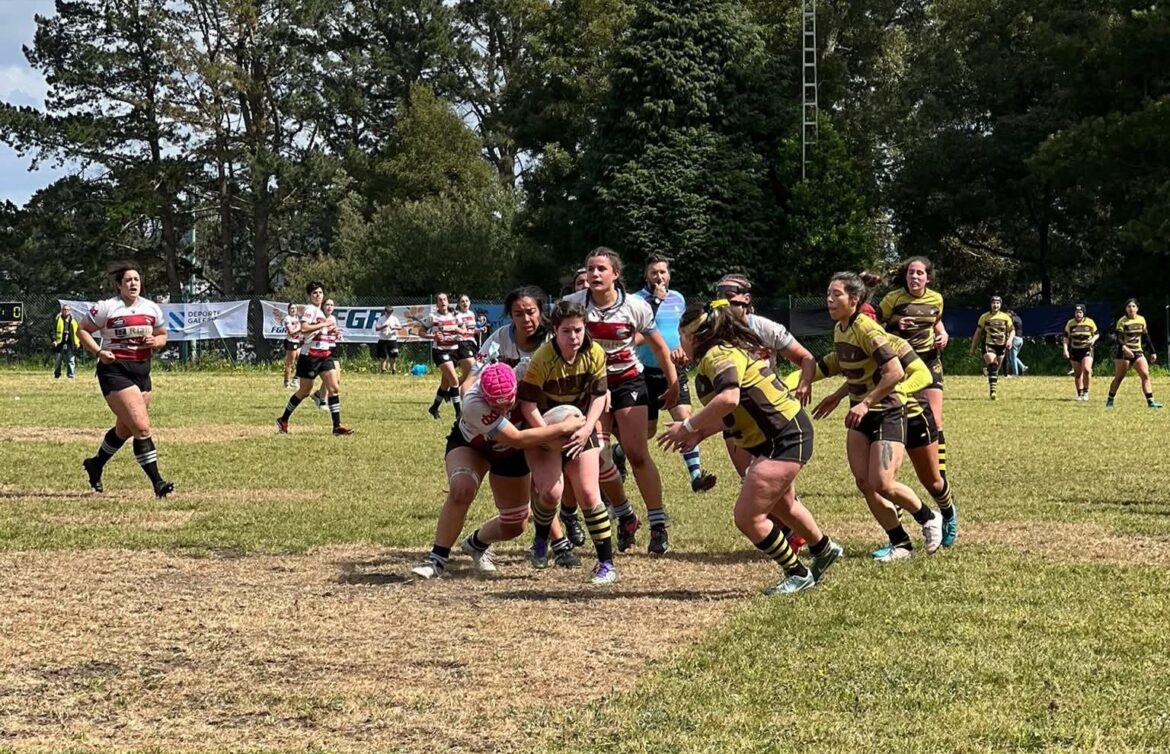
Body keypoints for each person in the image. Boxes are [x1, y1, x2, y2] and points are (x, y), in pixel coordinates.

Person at [658, 300, 842, 595]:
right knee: (784, 506)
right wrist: (700, 434)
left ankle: (797, 573)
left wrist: (688, 426)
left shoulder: (718, 355)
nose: (679, 345)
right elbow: (736, 410)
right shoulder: (719, 353)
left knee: (748, 518)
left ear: (694, 336)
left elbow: (729, 399)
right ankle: (825, 550)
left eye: (681, 337)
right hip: (779, 433)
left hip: (784, 436)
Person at [411, 362, 588, 580]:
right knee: (461, 489)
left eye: (508, 404)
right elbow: (516, 438)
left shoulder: (529, 374)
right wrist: (563, 427)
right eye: (495, 407)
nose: (504, 411)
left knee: (515, 523)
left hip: (511, 455)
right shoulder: (474, 402)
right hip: (474, 445)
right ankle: (436, 559)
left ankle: (477, 543)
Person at [817, 271, 942, 561]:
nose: (830, 300)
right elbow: (859, 371)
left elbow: (895, 372)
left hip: (886, 412)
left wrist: (866, 403)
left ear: (854, 300)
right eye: (828, 294)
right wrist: (838, 396)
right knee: (864, 483)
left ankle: (928, 517)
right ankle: (901, 543)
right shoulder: (841, 328)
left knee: (883, 482)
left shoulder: (867, 329)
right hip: (860, 415)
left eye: (836, 294)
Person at [563, 247, 680, 555]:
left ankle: (658, 525)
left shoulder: (635, 306)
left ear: (616, 274)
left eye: (601, 268)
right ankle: (626, 515)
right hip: (592, 387)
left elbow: (659, 347)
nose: (594, 274)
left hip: (628, 381)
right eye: (590, 268)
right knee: (599, 456)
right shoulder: (572, 304)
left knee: (637, 453)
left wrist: (674, 383)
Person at [519, 300, 622, 584]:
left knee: (589, 493)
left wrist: (588, 428)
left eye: (578, 330)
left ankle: (606, 564)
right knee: (551, 493)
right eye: (566, 331)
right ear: (555, 331)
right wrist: (548, 435)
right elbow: (527, 405)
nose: (573, 337)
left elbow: (599, 396)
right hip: (542, 428)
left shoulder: (595, 352)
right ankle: (541, 540)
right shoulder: (542, 358)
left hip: (578, 428)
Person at [77, 262, 174, 497]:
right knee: (141, 427)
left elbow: (162, 335)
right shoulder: (107, 307)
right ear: (119, 285)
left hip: (142, 372)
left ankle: (96, 464)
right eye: (128, 280)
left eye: (136, 279)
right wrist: (99, 352)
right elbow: (82, 330)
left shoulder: (151, 308)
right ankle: (158, 483)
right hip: (115, 372)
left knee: (125, 429)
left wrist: (156, 342)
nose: (133, 283)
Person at [633, 254, 716, 493]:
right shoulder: (636, 301)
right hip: (645, 373)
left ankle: (696, 476)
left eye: (663, 272)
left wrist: (682, 348)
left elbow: (683, 331)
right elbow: (636, 335)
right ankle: (619, 453)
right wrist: (656, 302)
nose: (659, 277)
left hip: (674, 370)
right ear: (646, 276)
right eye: (654, 272)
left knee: (685, 419)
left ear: (669, 274)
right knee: (647, 431)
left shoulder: (678, 298)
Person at [877, 256, 951, 482]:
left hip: (929, 360)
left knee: (936, 419)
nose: (915, 277)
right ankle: (891, 469)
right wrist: (894, 325)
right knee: (901, 415)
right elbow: (874, 328)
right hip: (903, 362)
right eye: (911, 273)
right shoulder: (893, 299)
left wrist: (943, 334)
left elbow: (937, 322)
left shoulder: (936, 299)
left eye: (920, 273)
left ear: (928, 278)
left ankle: (940, 476)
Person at [275, 284, 354, 435]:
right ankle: (283, 419)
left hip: (324, 355)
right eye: (314, 293)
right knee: (304, 391)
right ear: (310, 296)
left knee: (334, 388)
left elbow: (317, 331)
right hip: (310, 357)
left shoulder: (320, 312)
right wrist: (324, 324)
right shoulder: (310, 310)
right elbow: (304, 328)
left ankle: (337, 426)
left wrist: (330, 332)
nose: (318, 295)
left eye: (320, 292)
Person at [1106, 298, 1162, 409]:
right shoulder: (1122, 321)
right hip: (1123, 353)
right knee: (1119, 377)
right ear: (1125, 309)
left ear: (1137, 308)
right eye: (1129, 306)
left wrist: (1153, 352)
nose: (1131, 309)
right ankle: (1110, 400)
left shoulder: (1141, 320)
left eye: (1133, 306)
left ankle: (1150, 402)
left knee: (1145, 375)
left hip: (1137, 351)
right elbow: (1118, 338)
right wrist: (1125, 348)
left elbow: (1146, 336)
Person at [422, 293, 464, 420]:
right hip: (440, 351)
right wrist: (433, 336)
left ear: (448, 301)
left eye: (444, 299)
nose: (443, 302)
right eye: (440, 300)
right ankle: (459, 414)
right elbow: (421, 332)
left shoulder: (455, 315)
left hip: (454, 351)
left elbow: (464, 330)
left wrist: (458, 330)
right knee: (454, 381)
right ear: (437, 304)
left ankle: (434, 408)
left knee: (445, 384)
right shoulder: (432, 317)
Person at [970, 295, 1014, 400]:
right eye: (994, 303)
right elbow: (978, 332)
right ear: (990, 304)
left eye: (998, 303)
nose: (995, 305)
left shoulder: (1006, 317)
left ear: (1000, 305)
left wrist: (1010, 340)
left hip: (1001, 346)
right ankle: (993, 392)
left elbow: (1012, 330)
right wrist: (973, 347)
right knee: (993, 365)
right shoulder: (984, 317)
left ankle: (989, 373)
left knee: (996, 369)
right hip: (988, 344)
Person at [1062, 304, 1099, 401]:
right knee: (1078, 373)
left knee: (1087, 370)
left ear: (1083, 313)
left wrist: (1093, 340)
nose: (1078, 314)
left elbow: (1097, 334)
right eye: (1076, 312)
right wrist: (1065, 349)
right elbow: (1066, 337)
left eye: (1080, 312)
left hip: (1087, 349)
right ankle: (1080, 393)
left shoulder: (1090, 322)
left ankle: (1086, 392)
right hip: (1075, 350)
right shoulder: (1070, 323)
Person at [52, 304, 80, 380]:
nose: (66, 311)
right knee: (58, 360)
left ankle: (70, 375)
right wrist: (54, 340)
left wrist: (77, 343)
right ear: (62, 311)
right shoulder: (57, 319)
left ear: (70, 311)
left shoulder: (74, 320)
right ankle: (57, 375)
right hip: (59, 342)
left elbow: (78, 332)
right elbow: (52, 330)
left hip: (71, 342)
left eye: (67, 310)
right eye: (64, 309)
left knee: (71, 359)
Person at [455, 294, 478, 381]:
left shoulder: (472, 313)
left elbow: (472, 330)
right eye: (462, 301)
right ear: (459, 304)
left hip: (472, 342)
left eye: (467, 301)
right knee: (475, 369)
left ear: (470, 302)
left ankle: (452, 388)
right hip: (462, 343)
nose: (465, 303)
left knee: (466, 376)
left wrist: (480, 330)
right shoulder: (456, 315)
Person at [374, 306, 402, 375]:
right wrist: (384, 326)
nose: (389, 314)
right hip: (383, 339)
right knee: (382, 356)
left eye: (390, 312)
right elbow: (377, 328)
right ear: (385, 312)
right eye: (388, 312)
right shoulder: (381, 318)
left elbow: (400, 327)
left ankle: (393, 370)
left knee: (393, 355)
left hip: (392, 339)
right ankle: (383, 370)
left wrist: (394, 327)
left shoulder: (394, 318)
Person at [281, 303, 302, 388]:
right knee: (290, 363)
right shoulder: (287, 318)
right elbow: (291, 332)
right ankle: (286, 382)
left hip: (297, 341)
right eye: (291, 308)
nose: (293, 310)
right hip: (291, 342)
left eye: (295, 308)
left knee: (301, 361)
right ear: (288, 310)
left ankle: (295, 380)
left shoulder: (297, 318)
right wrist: (300, 328)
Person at [1005, 308, 1028, 377]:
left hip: (1015, 339)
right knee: (1013, 356)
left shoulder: (1012, 319)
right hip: (1020, 339)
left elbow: (1009, 328)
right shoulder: (1018, 318)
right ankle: (1023, 367)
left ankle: (1015, 373)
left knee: (1012, 357)